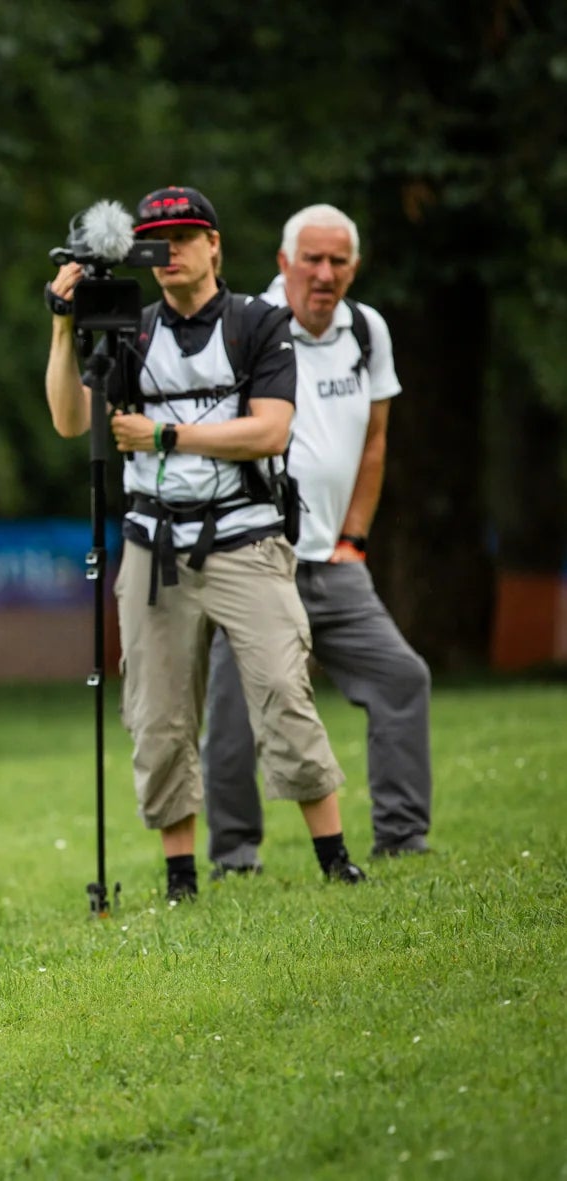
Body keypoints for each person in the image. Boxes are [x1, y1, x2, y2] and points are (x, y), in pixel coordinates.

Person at [43, 185, 366, 903]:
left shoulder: (258, 322)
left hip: (246, 537)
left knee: (284, 690)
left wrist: (164, 434)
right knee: (157, 714)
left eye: (184, 237)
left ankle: (334, 857)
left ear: (214, 244)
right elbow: (70, 420)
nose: (170, 253)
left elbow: (270, 429)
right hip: (153, 544)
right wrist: (64, 327)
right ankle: (180, 878)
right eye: (154, 243)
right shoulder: (130, 331)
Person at [202, 204, 433, 877]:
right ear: (283, 264)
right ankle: (234, 858)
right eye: (312, 259)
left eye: (337, 262)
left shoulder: (366, 330)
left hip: (334, 564)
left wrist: (354, 535)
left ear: (352, 268)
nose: (324, 273)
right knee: (233, 717)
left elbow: (374, 440)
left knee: (401, 678)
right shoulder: (246, 325)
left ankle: (401, 836)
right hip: (251, 556)